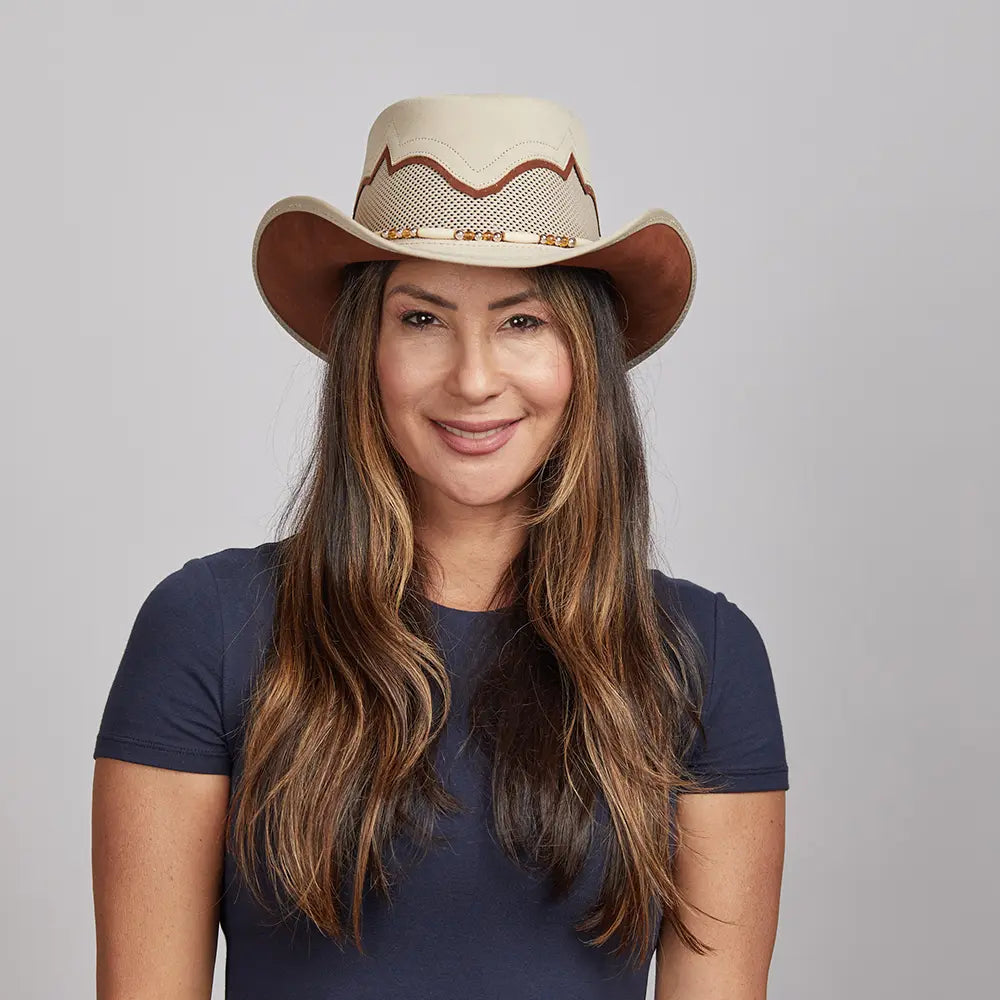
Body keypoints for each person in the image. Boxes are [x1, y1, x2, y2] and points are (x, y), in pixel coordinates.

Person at [91, 94, 788, 999]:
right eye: (421, 319)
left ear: (584, 358)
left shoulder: (703, 657)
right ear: (362, 352)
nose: (472, 377)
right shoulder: (207, 629)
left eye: (522, 322)